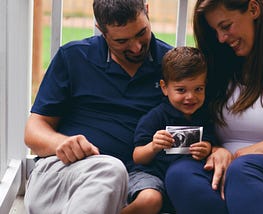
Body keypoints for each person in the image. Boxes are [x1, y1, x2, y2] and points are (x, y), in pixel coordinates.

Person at [165, 0, 263, 214]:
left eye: (226, 26)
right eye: (214, 31)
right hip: (233, 171)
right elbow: (206, 126)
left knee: (244, 169)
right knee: (180, 173)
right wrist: (216, 149)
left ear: (253, 9)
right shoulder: (219, 64)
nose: (220, 38)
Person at [23, 0, 172, 213]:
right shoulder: (73, 57)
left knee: (141, 192)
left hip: (136, 179)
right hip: (68, 171)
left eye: (141, 33)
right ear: (101, 30)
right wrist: (62, 143)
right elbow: (33, 131)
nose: (136, 47)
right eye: (122, 41)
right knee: (111, 169)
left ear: (147, 11)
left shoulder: (171, 65)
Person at [129, 46, 218, 213]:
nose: (190, 97)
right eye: (181, 90)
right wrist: (154, 146)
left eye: (198, 89)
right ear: (164, 88)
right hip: (151, 175)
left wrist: (206, 148)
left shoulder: (205, 117)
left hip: (183, 179)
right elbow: (138, 157)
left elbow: (210, 141)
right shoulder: (156, 117)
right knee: (150, 200)